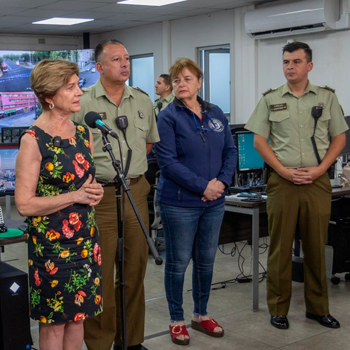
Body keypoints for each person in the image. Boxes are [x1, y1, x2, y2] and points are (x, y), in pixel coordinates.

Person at [245, 42, 348, 330]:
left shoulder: (326, 98)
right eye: (286, 62)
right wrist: (283, 171)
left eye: (296, 61)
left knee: (317, 246)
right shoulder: (270, 99)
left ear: (309, 66)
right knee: (280, 248)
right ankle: (278, 308)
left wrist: (319, 170)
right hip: (283, 182)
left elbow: (339, 138)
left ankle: (318, 309)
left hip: (317, 182)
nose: (290, 66)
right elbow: (259, 141)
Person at [71, 39, 159, 350]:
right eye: (116, 59)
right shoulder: (81, 104)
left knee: (134, 271)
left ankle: (131, 341)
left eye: (127, 58)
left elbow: (148, 144)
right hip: (99, 197)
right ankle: (100, 343)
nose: (124, 64)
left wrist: (130, 171)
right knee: (100, 275)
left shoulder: (143, 101)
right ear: (99, 67)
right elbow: (70, 153)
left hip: (135, 190)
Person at [15, 59, 104, 350]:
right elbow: (25, 204)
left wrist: (94, 192)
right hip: (51, 246)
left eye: (78, 85)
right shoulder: (33, 140)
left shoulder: (83, 134)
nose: (80, 92)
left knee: (78, 318)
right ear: (49, 97)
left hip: (85, 240)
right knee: (54, 323)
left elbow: (84, 183)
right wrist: (75, 197)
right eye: (71, 87)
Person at [154, 58, 237, 345]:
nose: (181, 84)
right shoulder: (167, 117)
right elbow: (167, 163)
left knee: (206, 262)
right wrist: (204, 186)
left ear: (199, 82)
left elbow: (230, 151)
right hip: (179, 204)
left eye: (187, 79)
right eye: (176, 80)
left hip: (213, 202)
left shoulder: (215, 113)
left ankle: (200, 314)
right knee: (178, 263)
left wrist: (221, 183)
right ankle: (176, 319)